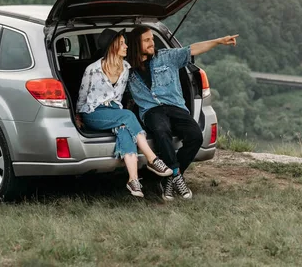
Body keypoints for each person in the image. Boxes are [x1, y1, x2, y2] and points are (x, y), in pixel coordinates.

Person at [127, 25, 238, 200]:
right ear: (135, 44)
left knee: (195, 136)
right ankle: (177, 175)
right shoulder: (127, 69)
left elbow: (193, 48)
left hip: (175, 106)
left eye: (152, 39)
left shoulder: (166, 57)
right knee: (161, 131)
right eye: (147, 40)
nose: (152, 43)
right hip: (151, 110)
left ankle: (169, 179)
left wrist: (218, 41)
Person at [75, 28, 173, 198]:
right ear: (113, 47)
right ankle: (152, 159)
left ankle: (133, 180)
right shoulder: (93, 69)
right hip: (93, 113)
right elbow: (82, 96)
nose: (126, 46)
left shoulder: (126, 68)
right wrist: (77, 115)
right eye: (122, 43)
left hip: (115, 112)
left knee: (124, 132)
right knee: (127, 116)